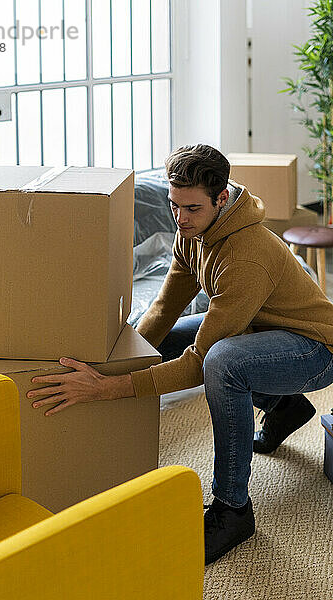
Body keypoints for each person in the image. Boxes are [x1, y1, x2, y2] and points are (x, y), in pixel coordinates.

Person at [26, 144, 333, 565]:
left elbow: (201, 362)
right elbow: (165, 309)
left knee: (223, 362)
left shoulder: (248, 255)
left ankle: (233, 510)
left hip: (314, 349)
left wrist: (108, 389)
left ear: (222, 198)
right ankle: (284, 408)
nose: (180, 218)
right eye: (174, 206)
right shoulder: (192, 232)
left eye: (191, 208)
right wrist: (112, 364)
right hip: (261, 332)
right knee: (165, 341)